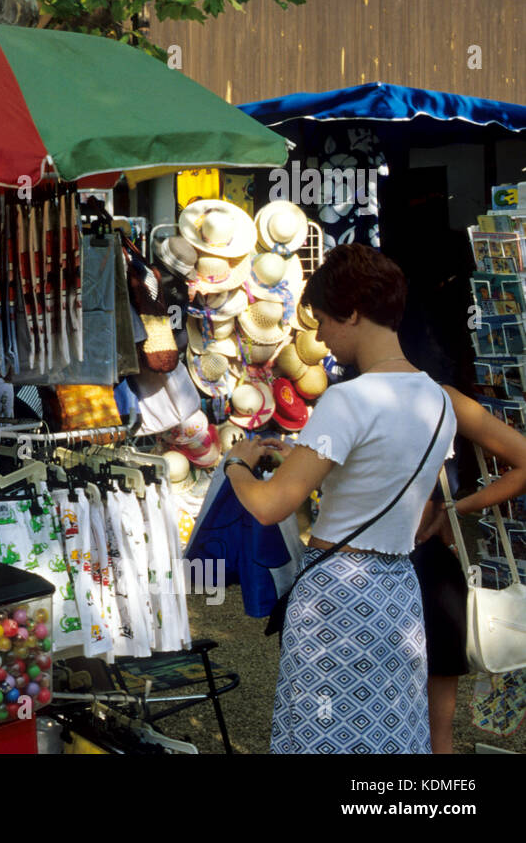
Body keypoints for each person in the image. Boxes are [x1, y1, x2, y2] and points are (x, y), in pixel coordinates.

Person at [222, 244, 456, 754]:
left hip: (336, 598)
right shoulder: (438, 400)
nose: (322, 335)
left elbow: (269, 505)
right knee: (389, 732)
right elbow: (390, 477)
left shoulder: (347, 397)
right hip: (397, 590)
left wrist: (236, 462)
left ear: (351, 312)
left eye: (324, 320)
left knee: (320, 730)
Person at [409, 389, 526, 753]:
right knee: (435, 728)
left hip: (419, 566)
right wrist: (456, 508)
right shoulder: (437, 392)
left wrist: (456, 508)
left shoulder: (433, 392)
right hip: (427, 565)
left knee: (429, 725)